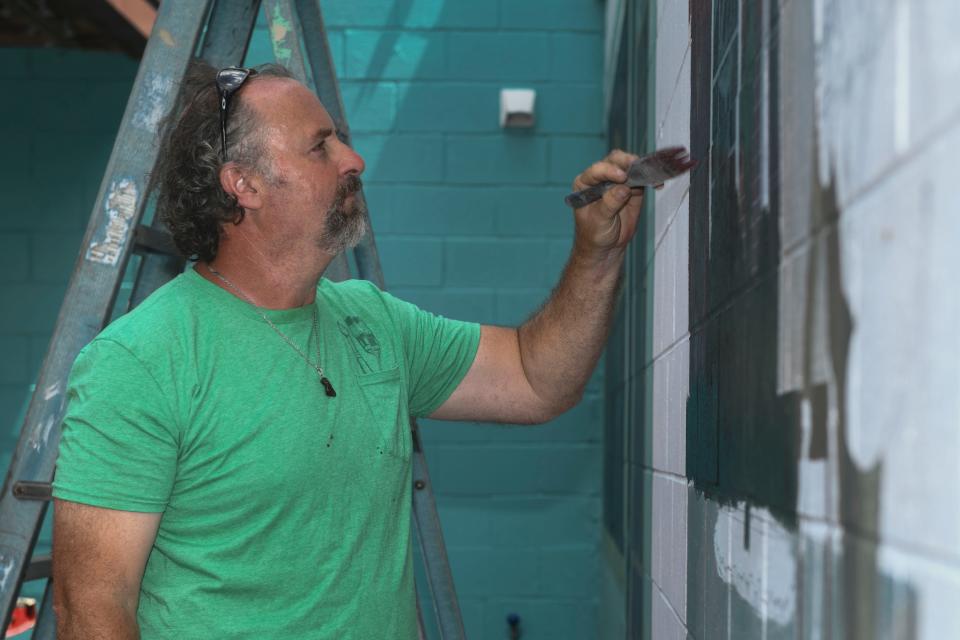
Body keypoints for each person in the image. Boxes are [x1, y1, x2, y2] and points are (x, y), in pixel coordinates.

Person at [50, 60, 647, 639]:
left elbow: (534, 379)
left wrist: (598, 254)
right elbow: (92, 613)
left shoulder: (373, 321)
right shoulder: (141, 361)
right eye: (320, 147)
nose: (352, 160)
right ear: (244, 184)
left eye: (340, 140)